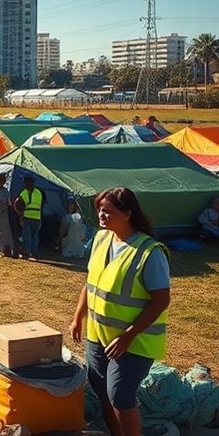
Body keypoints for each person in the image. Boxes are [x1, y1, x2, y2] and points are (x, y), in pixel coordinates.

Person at [70, 187, 170, 436]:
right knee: (101, 389)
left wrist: (128, 335)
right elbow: (91, 281)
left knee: (120, 394)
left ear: (127, 214)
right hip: (99, 334)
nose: (101, 216)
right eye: (100, 211)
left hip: (134, 341)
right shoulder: (102, 238)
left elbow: (161, 300)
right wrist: (77, 317)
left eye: (108, 212)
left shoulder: (149, 253)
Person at [14, 175, 44, 260]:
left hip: (27, 217)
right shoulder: (38, 192)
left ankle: (26, 252)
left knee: (27, 236)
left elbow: (18, 205)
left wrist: (20, 217)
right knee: (35, 236)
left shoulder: (23, 193)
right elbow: (41, 205)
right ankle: (35, 253)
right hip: (37, 217)